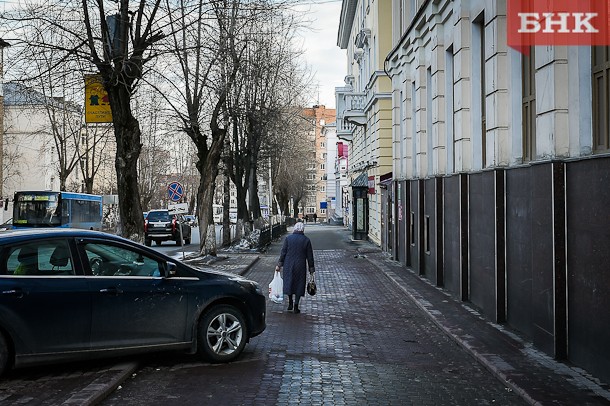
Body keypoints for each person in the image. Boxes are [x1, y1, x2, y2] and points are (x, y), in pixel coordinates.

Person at [275, 221, 315, 314]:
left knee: (289, 282)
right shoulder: (306, 240)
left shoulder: (288, 239)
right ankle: (296, 305)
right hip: (300, 265)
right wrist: (311, 269)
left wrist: (279, 265)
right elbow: (310, 256)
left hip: (288, 264)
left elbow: (283, 252)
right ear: (302, 229)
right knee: (299, 284)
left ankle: (290, 302)